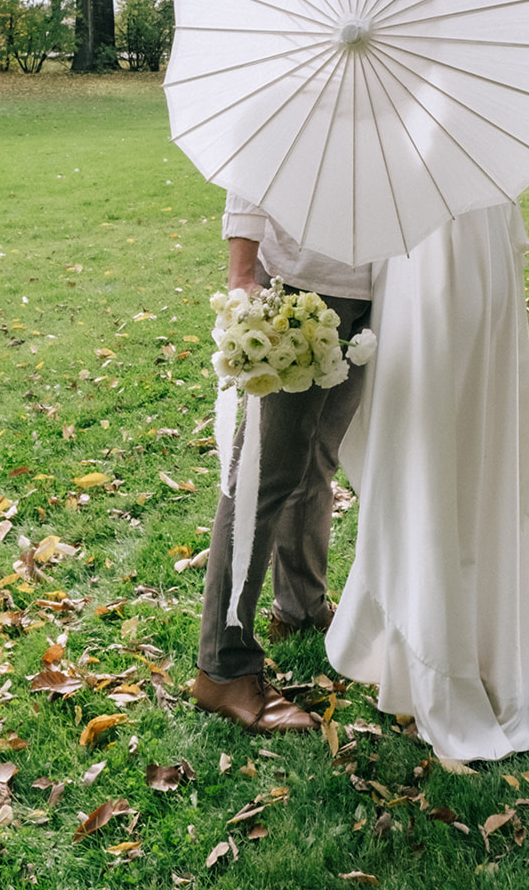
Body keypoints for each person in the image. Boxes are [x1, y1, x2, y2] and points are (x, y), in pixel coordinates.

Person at [325, 200, 529, 761]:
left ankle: (449, 652)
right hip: (451, 259)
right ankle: (457, 642)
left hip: (438, 265)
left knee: (437, 450)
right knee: (441, 450)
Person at [192, 193, 371, 733]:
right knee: (260, 479)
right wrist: (242, 274)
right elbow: (254, 163)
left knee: (317, 458)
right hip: (298, 286)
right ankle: (223, 668)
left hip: (369, 291)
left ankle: (300, 605)